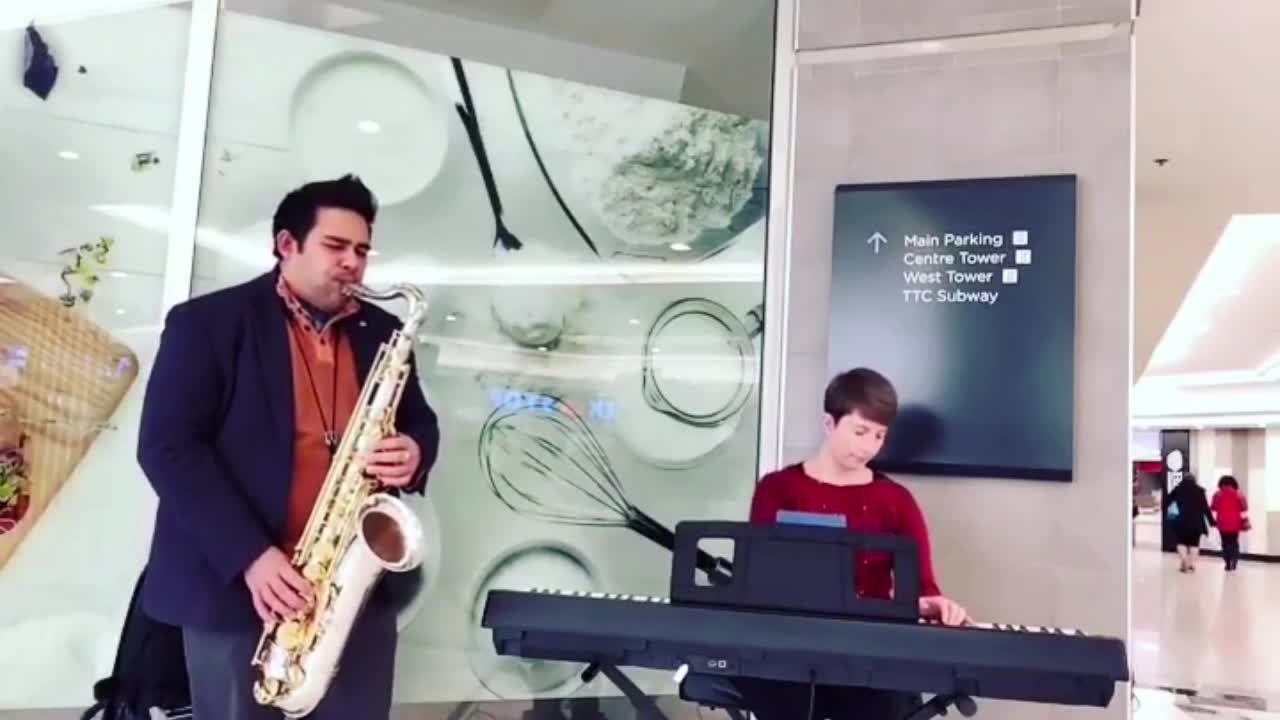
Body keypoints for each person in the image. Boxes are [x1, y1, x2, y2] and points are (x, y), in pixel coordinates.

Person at [136, 174, 440, 719]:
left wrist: (414, 451)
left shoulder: (383, 331)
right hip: (237, 587)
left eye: (362, 251)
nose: (352, 262)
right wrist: (251, 556)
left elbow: (419, 421)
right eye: (336, 245)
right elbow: (168, 448)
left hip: (352, 594)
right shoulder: (207, 323)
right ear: (286, 244)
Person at [721, 367, 968, 720]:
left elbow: (924, 588)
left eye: (879, 435)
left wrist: (935, 605)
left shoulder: (897, 500)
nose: (869, 447)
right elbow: (756, 579)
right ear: (829, 423)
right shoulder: (777, 488)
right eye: (860, 431)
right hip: (792, 651)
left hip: (870, 654)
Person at [1164, 472, 1214, 573]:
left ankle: (1184, 560)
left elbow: (1167, 501)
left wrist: (1169, 512)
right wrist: (1211, 521)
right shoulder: (1200, 491)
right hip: (1196, 522)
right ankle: (1191, 564)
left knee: (1181, 542)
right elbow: (1205, 508)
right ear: (1194, 480)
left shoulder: (1178, 489)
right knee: (1194, 544)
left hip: (1180, 520)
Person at [1210, 475, 1248, 571]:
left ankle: (1227, 563)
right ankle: (1234, 560)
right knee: (1234, 541)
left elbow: (1213, 507)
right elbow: (1244, 507)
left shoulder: (1217, 494)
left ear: (1221, 484)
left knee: (1225, 542)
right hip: (1235, 521)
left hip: (1222, 522)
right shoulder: (1239, 494)